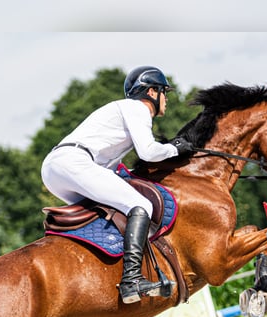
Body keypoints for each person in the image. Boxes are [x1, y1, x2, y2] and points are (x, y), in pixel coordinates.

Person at [41, 66, 194, 304]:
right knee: (140, 205)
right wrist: (176, 148)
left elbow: (113, 172)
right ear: (152, 92)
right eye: (165, 92)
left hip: (56, 169)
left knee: (114, 208)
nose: (166, 99)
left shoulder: (121, 113)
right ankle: (131, 279)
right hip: (74, 163)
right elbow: (149, 152)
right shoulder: (137, 108)